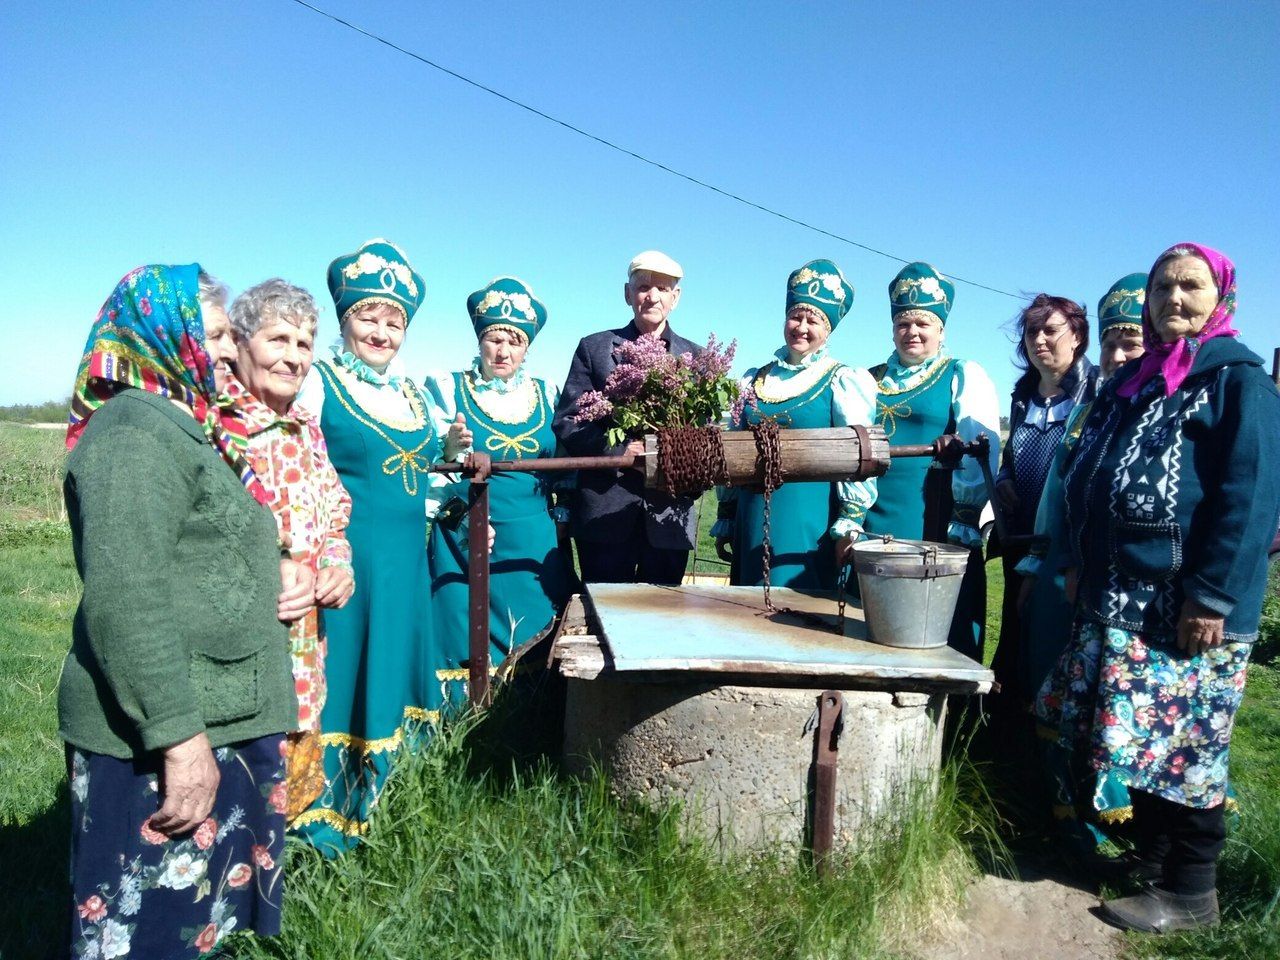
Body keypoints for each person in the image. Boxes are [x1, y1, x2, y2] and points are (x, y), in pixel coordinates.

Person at [60, 264, 310, 958]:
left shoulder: (188, 427)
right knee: (147, 938)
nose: (230, 351)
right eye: (221, 335)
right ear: (162, 334)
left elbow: (200, 543)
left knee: (189, 931)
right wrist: (178, 738)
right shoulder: (135, 437)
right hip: (164, 735)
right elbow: (125, 599)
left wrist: (277, 563)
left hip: (216, 714)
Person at [1036, 243, 1280, 932]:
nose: (1175, 299)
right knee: (1140, 741)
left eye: (1191, 286)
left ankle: (1191, 893)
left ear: (1221, 297)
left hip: (1189, 608)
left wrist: (1212, 598)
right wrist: (1083, 559)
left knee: (1190, 748)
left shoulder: (1238, 382)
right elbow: (1091, 476)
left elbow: (1251, 498)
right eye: (1164, 287)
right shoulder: (1137, 383)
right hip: (1123, 600)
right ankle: (1152, 868)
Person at [291, 239, 467, 854]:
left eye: (395, 322)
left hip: (404, 568)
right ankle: (320, 818)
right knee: (342, 675)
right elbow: (291, 469)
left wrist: (457, 490)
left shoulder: (415, 397)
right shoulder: (317, 384)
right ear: (344, 320)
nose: (382, 332)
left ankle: (386, 800)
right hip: (345, 567)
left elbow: (425, 483)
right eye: (368, 317)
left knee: (391, 666)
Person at [1015, 274, 1148, 863]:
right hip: (1061, 573)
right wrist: (1037, 566)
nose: (1120, 356)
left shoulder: (1167, 406)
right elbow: (1055, 500)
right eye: (1115, 343)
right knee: (1055, 691)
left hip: (1136, 586)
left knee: (1120, 705)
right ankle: (1064, 818)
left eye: (1133, 343)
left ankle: (1127, 830)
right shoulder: (1089, 411)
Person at [227, 278, 355, 822]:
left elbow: (333, 511)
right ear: (240, 343)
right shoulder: (217, 424)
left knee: (288, 782)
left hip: (304, 640)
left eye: (304, 344)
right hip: (237, 635)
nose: (293, 357)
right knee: (230, 785)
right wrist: (269, 566)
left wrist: (336, 563)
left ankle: (274, 881)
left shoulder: (305, 426)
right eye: (278, 339)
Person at [425, 276, 572, 668]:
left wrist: (562, 518)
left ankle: (529, 712)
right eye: (494, 339)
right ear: (479, 341)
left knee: (540, 632)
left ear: (527, 347)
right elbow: (431, 470)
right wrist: (450, 450)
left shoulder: (549, 394)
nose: (504, 351)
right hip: (472, 531)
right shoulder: (446, 389)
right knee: (468, 632)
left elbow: (565, 467)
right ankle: (472, 715)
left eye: (515, 341)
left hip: (536, 536)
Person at [861, 262, 1001, 660]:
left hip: (933, 522)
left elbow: (979, 446)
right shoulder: (868, 379)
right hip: (874, 520)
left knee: (928, 629)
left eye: (923, 323)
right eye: (904, 324)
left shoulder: (960, 373)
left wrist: (965, 516)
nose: (913, 332)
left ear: (941, 330)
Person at [712, 259, 877, 589]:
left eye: (812, 320)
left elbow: (858, 455)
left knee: (793, 612)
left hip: (807, 520)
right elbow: (730, 446)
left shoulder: (842, 380)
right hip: (750, 515)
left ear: (828, 329)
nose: (801, 327)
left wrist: (851, 523)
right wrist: (727, 515)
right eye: (795, 316)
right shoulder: (752, 379)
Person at [553, 250, 701, 585]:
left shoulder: (697, 360)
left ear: (675, 298)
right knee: (603, 617)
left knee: (665, 618)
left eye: (663, 289)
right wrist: (620, 454)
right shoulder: (594, 348)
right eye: (643, 286)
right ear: (627, 293)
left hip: (668, 517)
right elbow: (568, 421)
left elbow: (705, 438)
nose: (652, 296)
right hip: (604, 516)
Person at [989, 294, 1099, 709]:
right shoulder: (1022, 395)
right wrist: (1003, 480)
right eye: (1032, 331)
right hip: (1021, 534)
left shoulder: (1094, 392)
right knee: (1017, 623)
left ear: (1077, 335)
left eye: (1050, 330)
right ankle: (1010, 723)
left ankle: (1050, 727)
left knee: (1056, 632)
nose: (1039, 340)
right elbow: (1009, 457)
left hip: (1066, 538)